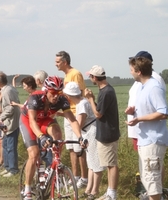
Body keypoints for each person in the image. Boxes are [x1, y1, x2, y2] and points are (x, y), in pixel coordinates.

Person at [20, 76, 85, 200]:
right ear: (46, 91)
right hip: (28, 121)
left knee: (57, 134)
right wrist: (42, 137)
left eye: (59, 93)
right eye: (53, 93)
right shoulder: (35, 98)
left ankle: (54, 165)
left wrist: (80, 137)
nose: (56, 96)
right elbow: (33, 122)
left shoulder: (61, 100)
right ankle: (27, 188)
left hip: (44, 120)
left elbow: (72, 119)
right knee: (34, 154)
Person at [125, 57, 168, 200]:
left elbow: (163, 113)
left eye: (132, 70)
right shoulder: (143, 87)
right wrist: (134, 111)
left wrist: (139, 119)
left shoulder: (154, 87)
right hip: (144, 140)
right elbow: (150, 109)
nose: (130, 72)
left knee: (152, 181)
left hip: (153, 140)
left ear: (138, 71)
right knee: (147, 180)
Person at [63, 82, 105, 200]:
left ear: (69, 95)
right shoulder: (83, 102)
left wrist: (71, 123)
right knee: (91, 163)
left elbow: (79, 124)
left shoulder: (81, 104)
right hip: (90, 132)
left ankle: (94, 191)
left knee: (95, 163)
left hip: (91, 133)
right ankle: (89, 190)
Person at [85, 65, 120, 200]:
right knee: (109, 163)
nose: (90, 78)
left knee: (111, 164)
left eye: (90, 76)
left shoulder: (106, 92)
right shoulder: (105, 90)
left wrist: (90, 99)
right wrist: (93, 98)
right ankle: (110, 192)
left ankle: (112, 194)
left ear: (95, 77)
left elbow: (98, 114)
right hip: (106, 132)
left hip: (108, 134)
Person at [56, 50, 88, 188]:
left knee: (79, 148)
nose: (55, 64)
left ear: (65, 62)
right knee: (70, 147)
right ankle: (74, 176)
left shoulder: (75, 74)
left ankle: (84, 178)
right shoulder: (66, 76)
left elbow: (81, 93)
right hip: (68, 112)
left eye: (57, 62)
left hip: (75, 114)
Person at [127, 51, 166, 151]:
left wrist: (139, 118)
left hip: (150, 133)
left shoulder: (154, 80)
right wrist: (133, 110)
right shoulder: (140, 81)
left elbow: (160, 108)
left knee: (153, 163)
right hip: (141, 130)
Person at [0, 72, 21, 177]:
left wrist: (1, 117)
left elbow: (10, 108)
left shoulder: (6, 91)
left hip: (10, 123)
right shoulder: (8, 88)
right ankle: (7, 167)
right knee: (5, 145)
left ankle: (13, 169)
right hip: (8, 122)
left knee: (10, 146)